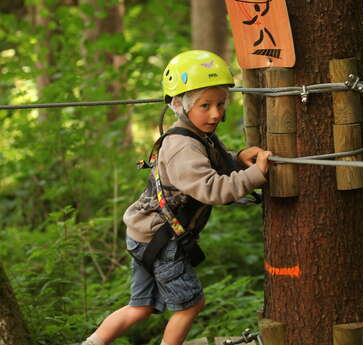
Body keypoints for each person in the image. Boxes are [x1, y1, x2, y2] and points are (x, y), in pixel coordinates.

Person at [73, 50, 272, 345]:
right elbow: (212, 188)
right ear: (180, 105)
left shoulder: (194, 137)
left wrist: (239, 158)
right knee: (190, 304)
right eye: (205, 105)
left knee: (140, 306)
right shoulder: (182, 145)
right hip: (162, 239)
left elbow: (206, 164)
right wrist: (256, 175)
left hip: (146, 234)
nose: (216, 113)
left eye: (220, 104)